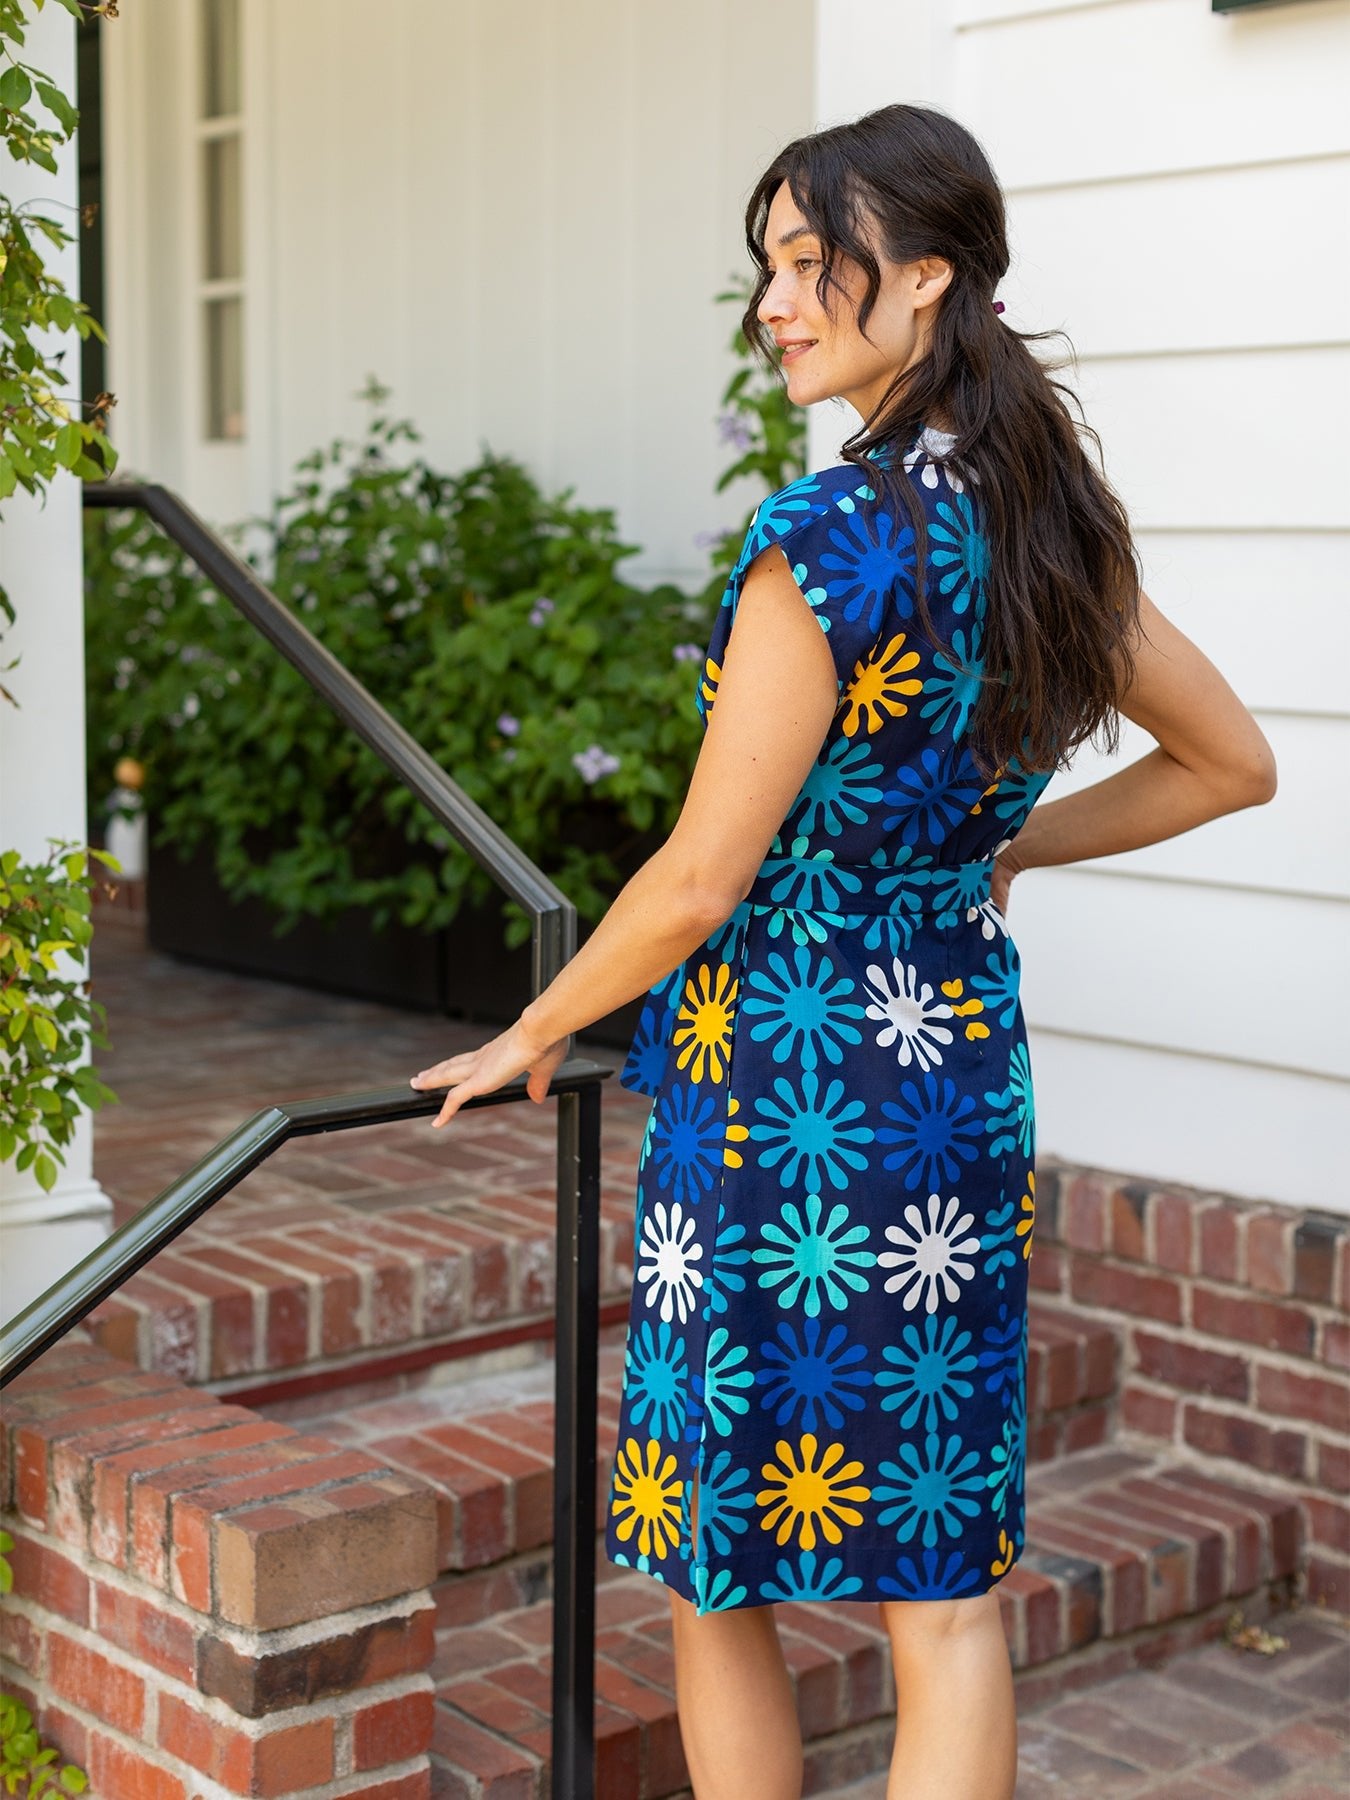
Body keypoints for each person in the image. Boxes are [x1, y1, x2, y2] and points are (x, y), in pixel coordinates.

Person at [411, 104, 1275, 1800]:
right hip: (948, 1081)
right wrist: (1004, 844)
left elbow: (693, 887)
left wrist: (533, 1028)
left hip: (776, 1093)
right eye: (767, 269)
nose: (774, 304)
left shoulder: (827, 541)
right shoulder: (1048, 531)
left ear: (928, 280)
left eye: (811, 264)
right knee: (939, 1592)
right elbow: (1230, 763)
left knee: (715, 1565)